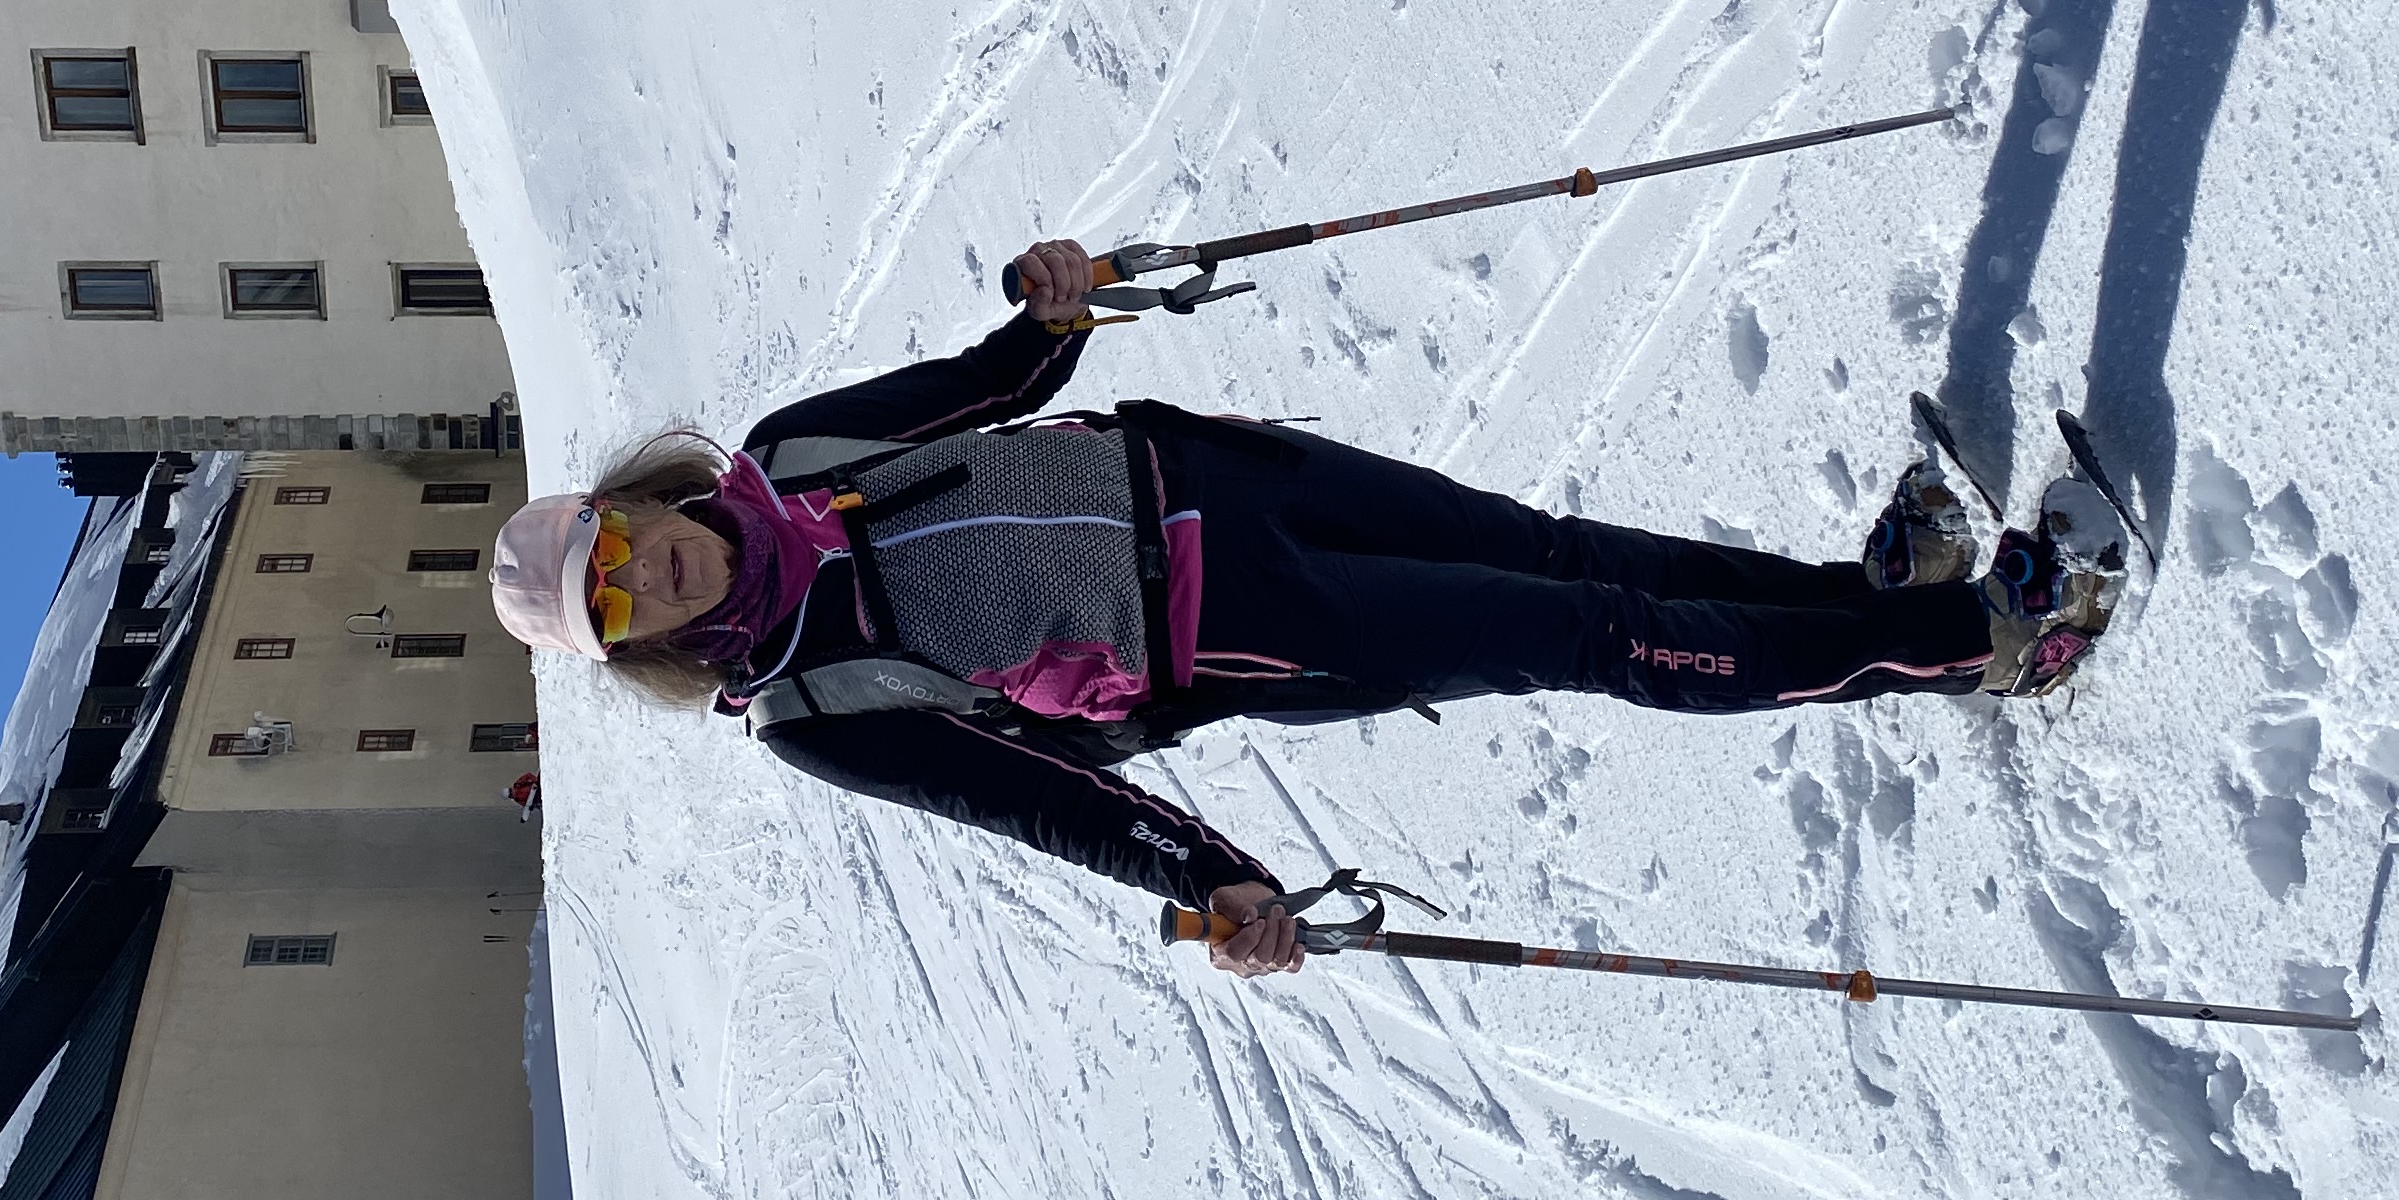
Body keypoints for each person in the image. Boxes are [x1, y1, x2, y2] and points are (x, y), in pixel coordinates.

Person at [495, 241, 2114, 978]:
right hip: (1233, 626)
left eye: (619, 541)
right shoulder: (809, 709)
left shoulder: (791, 457)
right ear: (637, 652)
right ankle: (1983, 643)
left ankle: (1865, 602)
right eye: (619, 604)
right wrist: (1222, 886)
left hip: (1219, 475)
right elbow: (1041, 801)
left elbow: (986, 385)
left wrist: (1062, 308)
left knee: (1563, 555)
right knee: (1584, 638)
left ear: (636, 497)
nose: (652, 572)